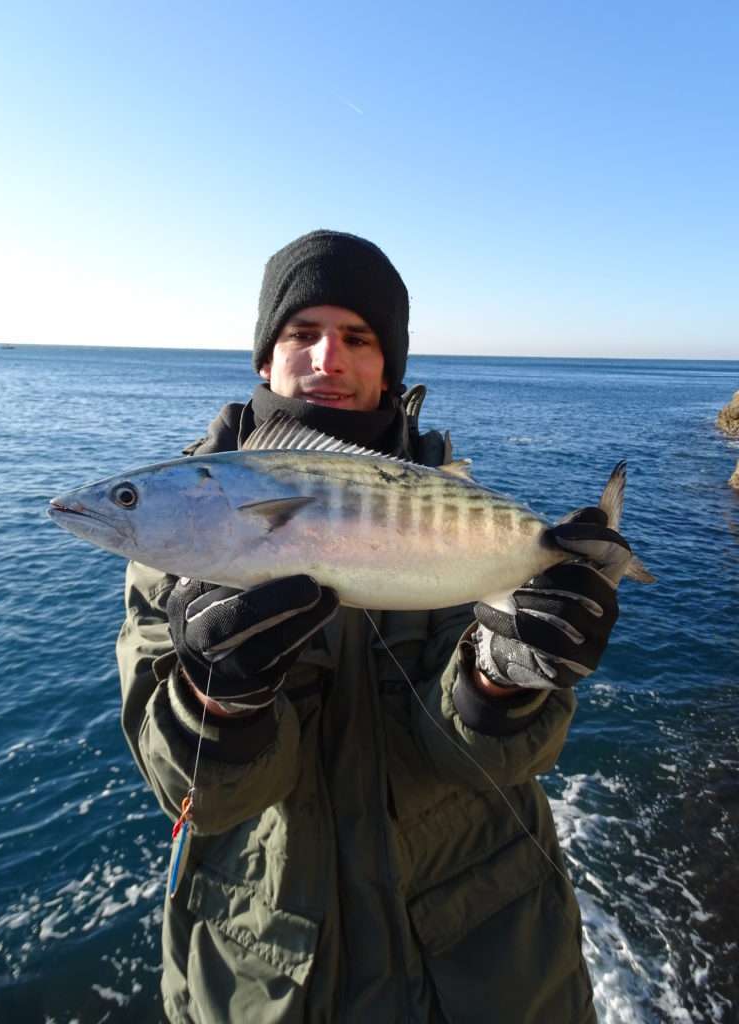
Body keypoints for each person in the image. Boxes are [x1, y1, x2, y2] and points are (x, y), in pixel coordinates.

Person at [117, 230, 630, 1023]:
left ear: (388, 363)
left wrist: (506, 674)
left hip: (492, 967)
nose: (329, 358)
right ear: (264, 356)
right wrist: (218, 701)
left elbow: (494, 755)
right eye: (301, 333)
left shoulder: (454, 518)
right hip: (269, 971)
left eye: (358, 338)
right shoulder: (181, 531)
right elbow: (190, 795)